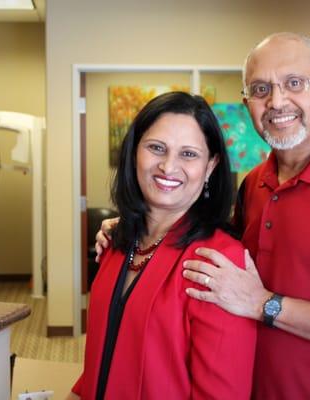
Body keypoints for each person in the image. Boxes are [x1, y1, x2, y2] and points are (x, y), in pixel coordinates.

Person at [96, 33, 310, 400]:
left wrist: (264, 304)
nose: (276, 101)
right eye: (260, 89)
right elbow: (204, 242)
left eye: (294, 83)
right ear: (247, 104)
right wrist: (132, 230)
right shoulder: (255, 184)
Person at [67, 91, 256, 400]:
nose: (168, 167)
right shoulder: (116, 243)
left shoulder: (219, 261)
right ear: (133, 153)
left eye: (189, 154)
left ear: (210, 166)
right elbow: (106, 352)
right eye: (156, 148)